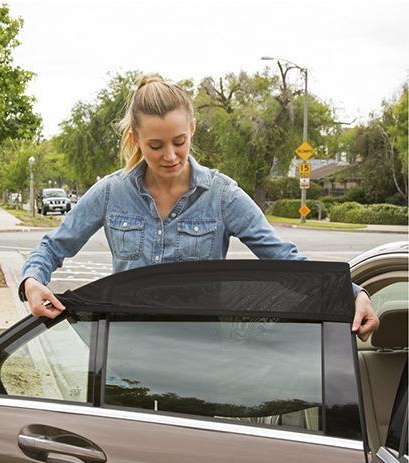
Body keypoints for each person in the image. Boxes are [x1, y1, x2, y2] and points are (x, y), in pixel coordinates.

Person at [20, 75, 379, 341]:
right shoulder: (111, 192)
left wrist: (353, 295)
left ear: (192, 128)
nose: (170, 156)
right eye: (156, 145)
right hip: (122, 356)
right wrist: (32, 281)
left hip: (199, 362)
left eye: (180, 141)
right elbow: (53, 246)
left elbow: (285, 260)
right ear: (135, 139)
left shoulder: (222, 195)